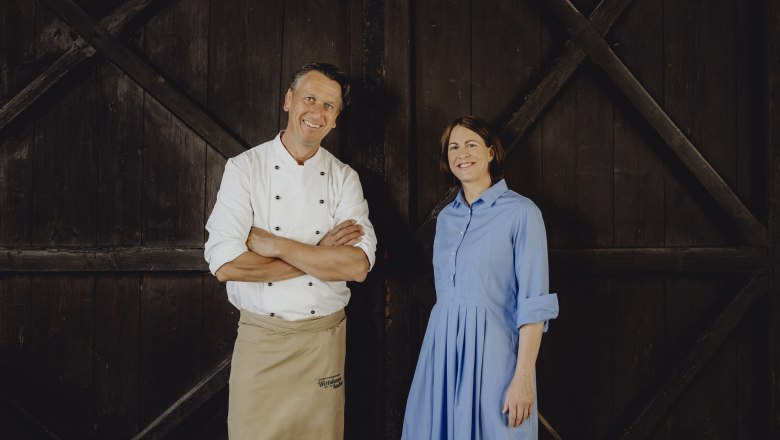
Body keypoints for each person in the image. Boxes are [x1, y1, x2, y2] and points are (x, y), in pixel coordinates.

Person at [204, 62, 377, 440]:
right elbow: (226, 265)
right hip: (261, 341)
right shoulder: (245, 169)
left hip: (323, 343)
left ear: (336, 119)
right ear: (288, 99)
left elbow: (357, 266)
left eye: (329, 106)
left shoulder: (344, 178)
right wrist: (320, 254)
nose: (317, 112)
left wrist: (277, 246)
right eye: (310, 99)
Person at [402, 115, 559, 439]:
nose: (462, 153)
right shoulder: (447, 218)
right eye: (453, 147)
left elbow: (534, 304)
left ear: (490, 152)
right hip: (442, 354)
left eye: (471, 144)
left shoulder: (522, 212)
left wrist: (523, 378)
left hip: (495, 357)